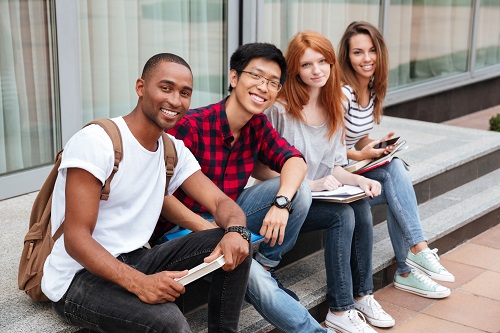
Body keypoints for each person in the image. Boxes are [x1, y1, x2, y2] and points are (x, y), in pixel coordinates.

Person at [41, 53, 252, 333]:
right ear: (141, 88)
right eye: (166, 88)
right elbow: (76, 239)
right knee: (169, 321)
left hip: (137, 258)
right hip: (78, 277)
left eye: (184, 93)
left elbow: (220, 201)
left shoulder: (172, 150)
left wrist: (237, 230)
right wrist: (140, 283)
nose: (176, 101)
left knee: (237, 242)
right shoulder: (97, 142)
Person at [153, 42, 312, 303]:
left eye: (273, 82)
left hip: (229, 216)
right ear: (234, 77)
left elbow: (295, 160)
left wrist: (281, 204)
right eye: (257, 76)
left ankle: (266, 265)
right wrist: (213, 232)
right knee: (253, 278)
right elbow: (159, 196)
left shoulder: (257, 124)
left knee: (299, 191)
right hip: (178, 232)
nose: (263, 86)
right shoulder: (190, 126)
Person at [258, 30, 394, 333]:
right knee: (343, 215)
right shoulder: (279, 109)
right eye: (307, 65)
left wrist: (358, 181)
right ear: (294, 68)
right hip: (284, 203)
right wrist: (308, 184)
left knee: (359, 205)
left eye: (323, 61)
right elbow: (260, 169)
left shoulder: (334, 106)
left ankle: (362, 296)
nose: (317, 70)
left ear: (332, 64)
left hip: (318, 197)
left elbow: (335, 167)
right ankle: (340, 309)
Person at [337, 21, 455, 299]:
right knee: (396, 174)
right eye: (357, 52)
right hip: (336, 181)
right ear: (347, 57)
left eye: (371, 50)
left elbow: (359, 138)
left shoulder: (373, 89)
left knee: (396, 175)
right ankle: (414, 257)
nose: (366, 59)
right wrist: (362, 155)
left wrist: (375, 145)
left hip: (353, 172)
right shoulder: (344, 93)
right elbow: (331, 148)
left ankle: (409, 266)